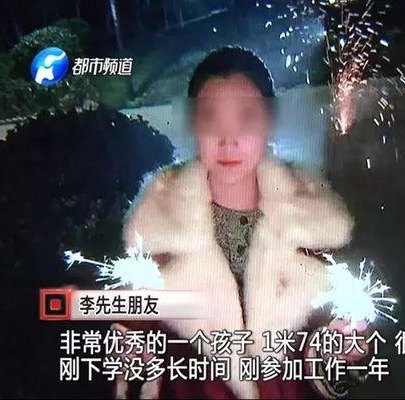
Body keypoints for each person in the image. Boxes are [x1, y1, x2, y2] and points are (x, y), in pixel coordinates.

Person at [113, 46, 369, 399]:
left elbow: (324, 350)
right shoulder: (157, 230)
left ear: (268, 123)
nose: (228, 140)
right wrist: (128, 353)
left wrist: (341, 351)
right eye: (211, 118)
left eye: (246, 117)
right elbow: (132, 341)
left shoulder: (313, 223)